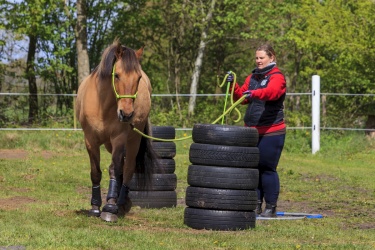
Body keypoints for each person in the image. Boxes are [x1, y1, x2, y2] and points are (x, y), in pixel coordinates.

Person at [226, 43, 286, 217]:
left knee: (267, 168)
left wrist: (255, 93)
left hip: (271, 131)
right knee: (254, 170)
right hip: (252, 131)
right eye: (257, 58)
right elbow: (241, 97)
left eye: (262, 58)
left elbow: (272, 92)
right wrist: (233, 87)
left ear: (271, 57)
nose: (258, 61)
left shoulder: (277, 77)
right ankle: (256, 205)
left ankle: (271, 206)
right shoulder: (253, 77)